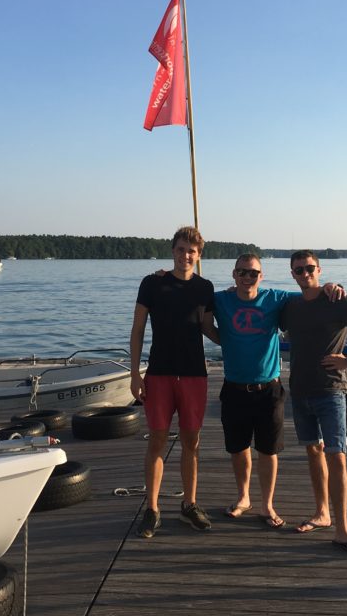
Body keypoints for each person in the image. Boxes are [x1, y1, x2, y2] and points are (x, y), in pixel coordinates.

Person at [213, 253, 344, 529]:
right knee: (238, 449)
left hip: (268, 388)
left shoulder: (276, 298)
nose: (247, 277)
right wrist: (225, 339)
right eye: (242, 272)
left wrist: (330, 285)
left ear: (261, 276)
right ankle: (243, 498)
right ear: (234, 274)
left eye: (253, 273)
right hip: (234, 387)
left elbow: (310, 292)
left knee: (268, 450)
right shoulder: (220, 299)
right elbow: (197, 310)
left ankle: (267, 504)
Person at [281, 250, 347, 557]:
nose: (305, 273)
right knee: (313, 450)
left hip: (330, 390)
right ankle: (321, 512)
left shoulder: (338, 300)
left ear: (319, 269)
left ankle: (342, 529)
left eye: (310, 268)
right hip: (299, 390)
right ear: (293, 274)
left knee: (336, 455)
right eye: (299, 270)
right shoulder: (291, 306)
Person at [129, 226, 219, 538]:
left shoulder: (205, 287)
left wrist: (242, 342)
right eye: (181, 250)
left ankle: (189, 505)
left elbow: (208, 327)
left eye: (191, 251)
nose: (185, 256)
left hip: (194, 374)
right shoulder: (153, 283)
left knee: (191, 443)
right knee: (157, 440)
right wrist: (134, 373)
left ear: (199, 255)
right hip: (159, 374)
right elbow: (138, 329)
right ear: (173, 251)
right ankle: (152, 508)